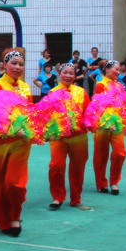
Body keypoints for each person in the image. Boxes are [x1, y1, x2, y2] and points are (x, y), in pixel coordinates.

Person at [0, 49, 33, 236]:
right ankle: (3, 220)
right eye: (14, 63)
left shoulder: (26, 87)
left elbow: (30, 112)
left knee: (16, 184)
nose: (18, 67)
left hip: (21, 141)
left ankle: (14, 216)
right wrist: (13, 127)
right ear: (5, 65)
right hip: (0, 142)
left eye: (21, 64)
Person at [46, 62, 91, 210]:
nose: (68, 75)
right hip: (59, 137)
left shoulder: (81, 92)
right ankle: (58, 197)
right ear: (59, 74)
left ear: (75, 76)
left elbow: (89, 112)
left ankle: (76, 199)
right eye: (65, 72)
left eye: (71, 73)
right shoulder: (52, 92)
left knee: (78, 167)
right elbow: (47, 114)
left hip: (79, 136)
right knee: (56, 166)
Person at [92, 60, 126, 195]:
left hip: (118, 124)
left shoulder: (120, 86)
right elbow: (97, 105)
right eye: (116, 69)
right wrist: (105, 123)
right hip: (103, 125)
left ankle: (114, 181)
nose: (118, 72)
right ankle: (101, 183)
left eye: (119, 70)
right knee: (101, 155)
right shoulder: (100, 85)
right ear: (107, 70)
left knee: (120, 153)